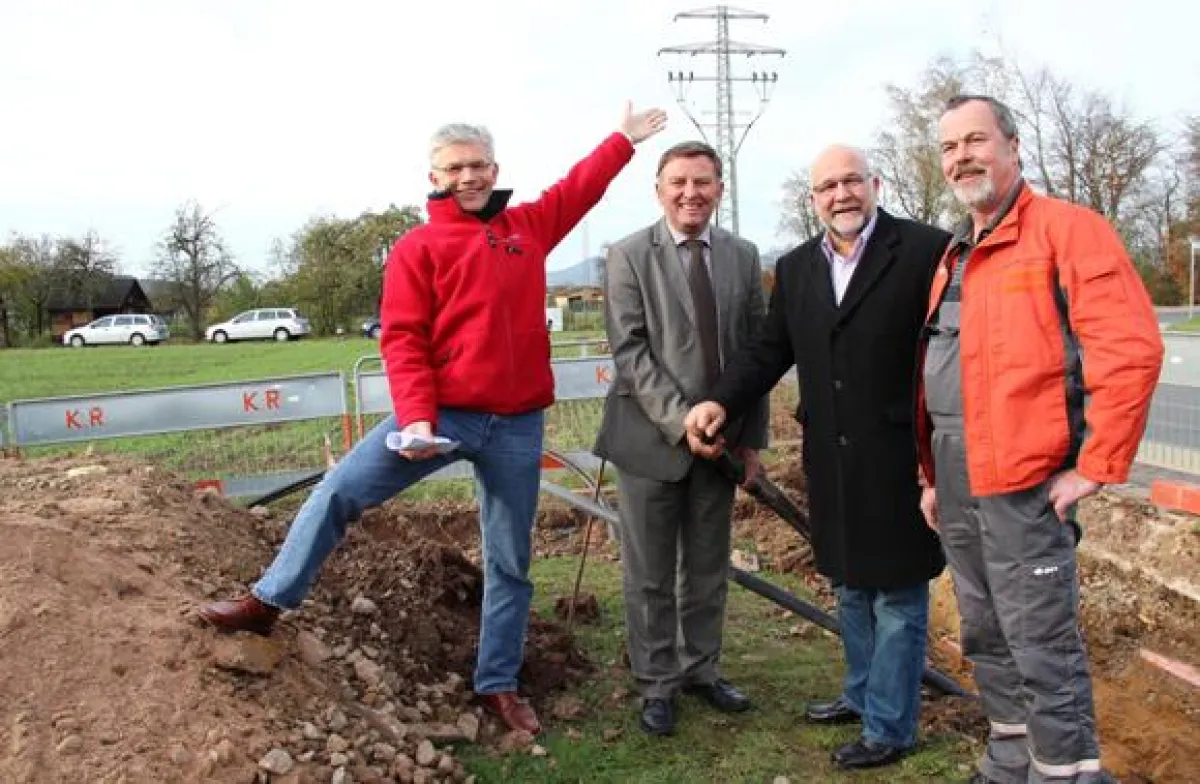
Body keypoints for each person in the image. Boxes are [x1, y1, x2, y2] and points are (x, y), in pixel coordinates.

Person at [198, 103, 668, 736]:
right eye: (455, 168)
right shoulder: (417, 248)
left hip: (517, 424)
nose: (469, 176)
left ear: (494, 168)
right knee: (340, 490)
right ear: (436, 176)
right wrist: (416, 420)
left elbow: (578, 187)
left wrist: (622, 140)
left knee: (509, 560)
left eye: (478, 165)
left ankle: (497, 684)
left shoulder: (528, 227)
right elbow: (404, 340)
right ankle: (267, 600)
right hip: (441, 417)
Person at [919, 95, 1162, 784]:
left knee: (1040, 643)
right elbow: (941, 373)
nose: (962, 156)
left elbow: (1131, 349)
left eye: (976, 140)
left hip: (1023, 480)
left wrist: (1095, 465)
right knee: (986, 635)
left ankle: (1066, 773)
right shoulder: (955, 255)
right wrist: (930, 476)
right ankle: (1008, 761)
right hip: (957, 476)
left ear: (1014, 147)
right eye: (949, 147)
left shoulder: (1067, 231)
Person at [685, 145, 950, 769]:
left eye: (852, 181)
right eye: (828, 186)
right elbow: (768, 350)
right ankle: (861, 697)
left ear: (875, 184)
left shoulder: (924, 251)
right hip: (830, 454)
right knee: (851, 587)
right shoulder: (799, 266)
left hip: (903, 454)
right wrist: (720, 402)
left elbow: (949, 356)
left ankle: (891, 726)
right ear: (814, 199)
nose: (842, 195)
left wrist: (940, 449)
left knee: (899, 595)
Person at [592, 140, 769, 737]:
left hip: (721, 443)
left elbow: (756, 353)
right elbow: (631, 350)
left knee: (706, 565)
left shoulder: (744, 257)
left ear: (719, 187)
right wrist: (682, 420)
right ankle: (657, 683)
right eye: (678, 182)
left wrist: (750, 439)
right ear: (659, 190)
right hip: (649, 440)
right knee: (648, 571)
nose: (691, 192)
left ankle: (701, 670)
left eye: (703, 181)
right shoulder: (627, 255)